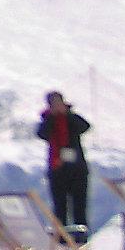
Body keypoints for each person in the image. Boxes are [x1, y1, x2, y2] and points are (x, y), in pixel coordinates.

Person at [36, 92, 91, 238]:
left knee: (80, 210)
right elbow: (42, 134)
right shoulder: (48, 120)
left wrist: (68, 115)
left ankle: (82, 244)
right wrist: (52, 117)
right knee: (60, 211)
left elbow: (85, 126)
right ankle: (62, 245)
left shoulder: (71, 118)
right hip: (58, 171)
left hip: (77, 171)